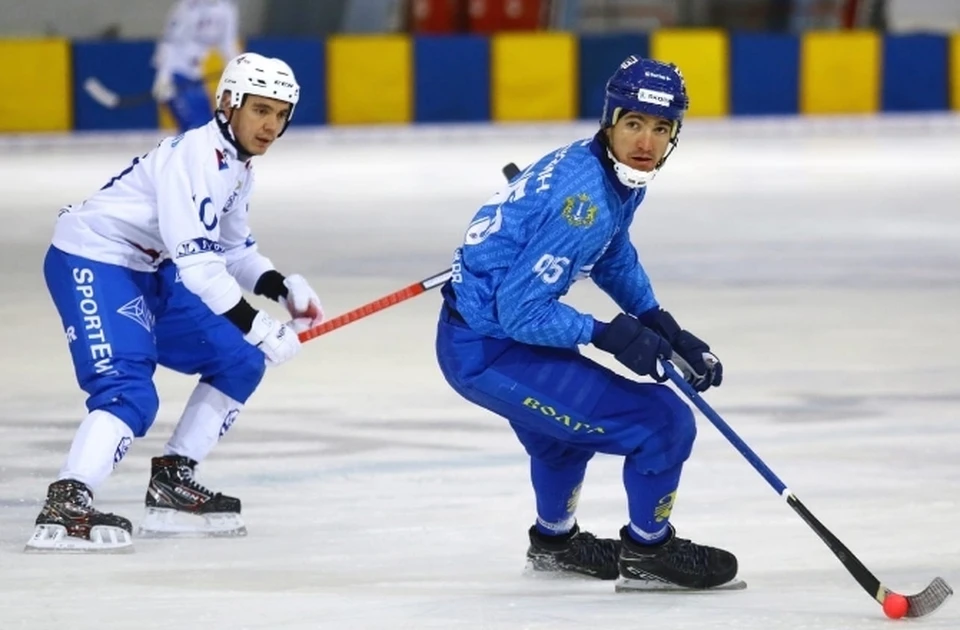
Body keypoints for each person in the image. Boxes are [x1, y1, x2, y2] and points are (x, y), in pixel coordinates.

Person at [434, 55, 741, 591]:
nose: (646, 141)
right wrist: (608, 335)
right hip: (491, 350)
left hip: (485, 337)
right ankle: (649, 552)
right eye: (634, 124)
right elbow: (523, 311)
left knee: (563, 440)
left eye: (661, 128)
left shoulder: (606, 170)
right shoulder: (586, 198)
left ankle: (556, 542)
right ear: (611, 120)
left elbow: (613, 255)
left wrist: (660, 323)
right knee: (664, 425)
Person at [26, 53, 322, 553]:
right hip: (95, 261)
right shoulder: (195, 159)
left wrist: (279, 286)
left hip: (150, 268)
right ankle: (68, 498)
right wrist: (261, 326)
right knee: (129, 392)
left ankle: (172, 482)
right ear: (228, 104)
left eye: (280, 114)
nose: (271, 126)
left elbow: (233, 249)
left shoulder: (236, 166)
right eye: (260, 110)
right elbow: (202, 270)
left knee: (240, 361)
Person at [152, 0, 241, 132]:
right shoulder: (186, 7)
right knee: (194, 128)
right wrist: (163, 76)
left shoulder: (226, 9)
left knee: (207, 127)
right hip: (176, 74)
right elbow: (170, 42)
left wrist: (239, 68)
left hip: (195, 75)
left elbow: (227, 44)